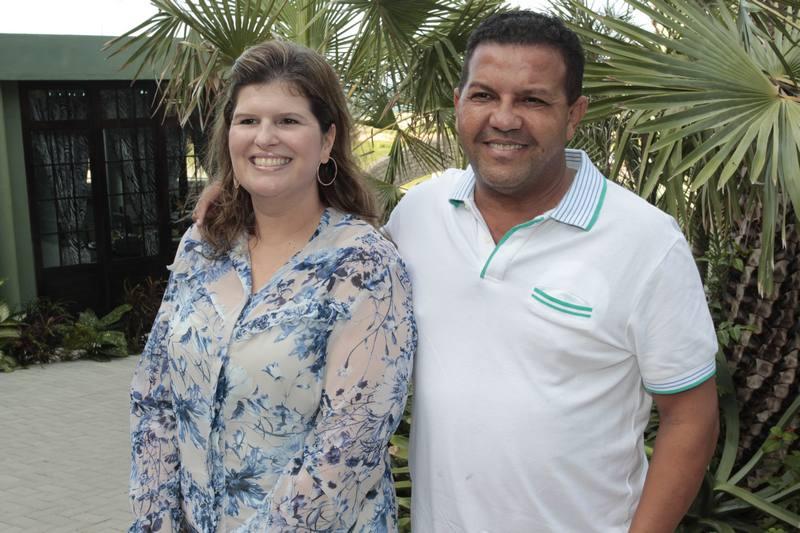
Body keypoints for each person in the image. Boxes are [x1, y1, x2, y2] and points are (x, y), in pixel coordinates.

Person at [194, 11, 719, 532]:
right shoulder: (420, 214)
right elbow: (322, 254)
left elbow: (691, 418)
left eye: (533, 100)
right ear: (459, 103)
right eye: (484, 95)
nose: (504, 119)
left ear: (573, 114)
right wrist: (249, 191)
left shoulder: (645, 242)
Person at [129, 40, 416, 533]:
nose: (265, 138)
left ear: (326, 140)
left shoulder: (363, 266)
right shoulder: (203, 247)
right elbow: (154, 396)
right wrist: (155, 523)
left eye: (288, 120)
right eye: (248, 120)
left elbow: (348, 446)